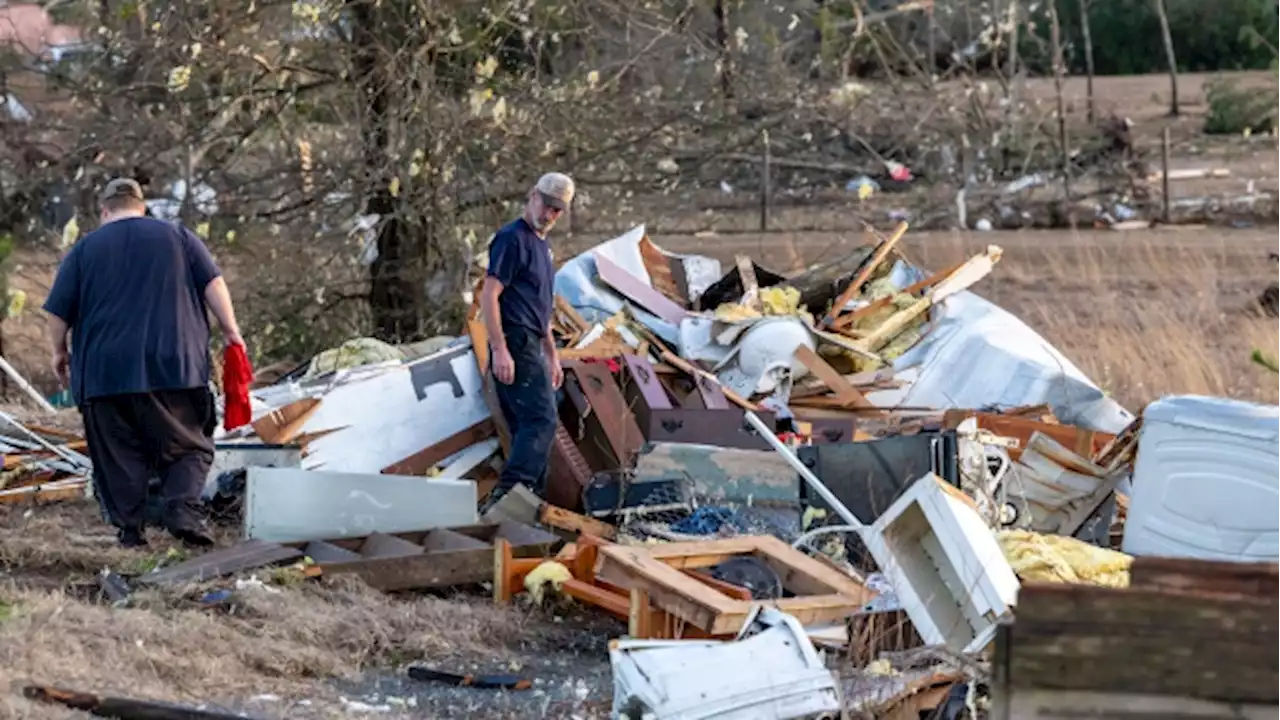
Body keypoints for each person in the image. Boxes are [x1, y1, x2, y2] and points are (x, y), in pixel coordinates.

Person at [43, 178, 245, 548]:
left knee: (118, 454)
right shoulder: (179, 237)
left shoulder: (84, 249)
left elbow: (57, 310)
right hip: (176, 364)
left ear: (105, 211)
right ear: (142, 207)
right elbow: (214, 284)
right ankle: (183, 509)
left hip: (105, 372)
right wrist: (232, 332)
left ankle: (131, 533)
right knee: (188, 444)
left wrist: (59, 351)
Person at [479, 172, 574, 507]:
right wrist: (500, 348)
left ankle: (530, 507)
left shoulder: (543, 248)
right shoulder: (512, 238)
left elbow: (541, 309)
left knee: (530, 429)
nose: (549, 215)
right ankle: (508, 498)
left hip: (533, 340)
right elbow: (489, 296)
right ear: (533, 196)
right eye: (546, 205)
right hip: (514, 340)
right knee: (542, 420)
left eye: (557, 211)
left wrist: (552, 354)